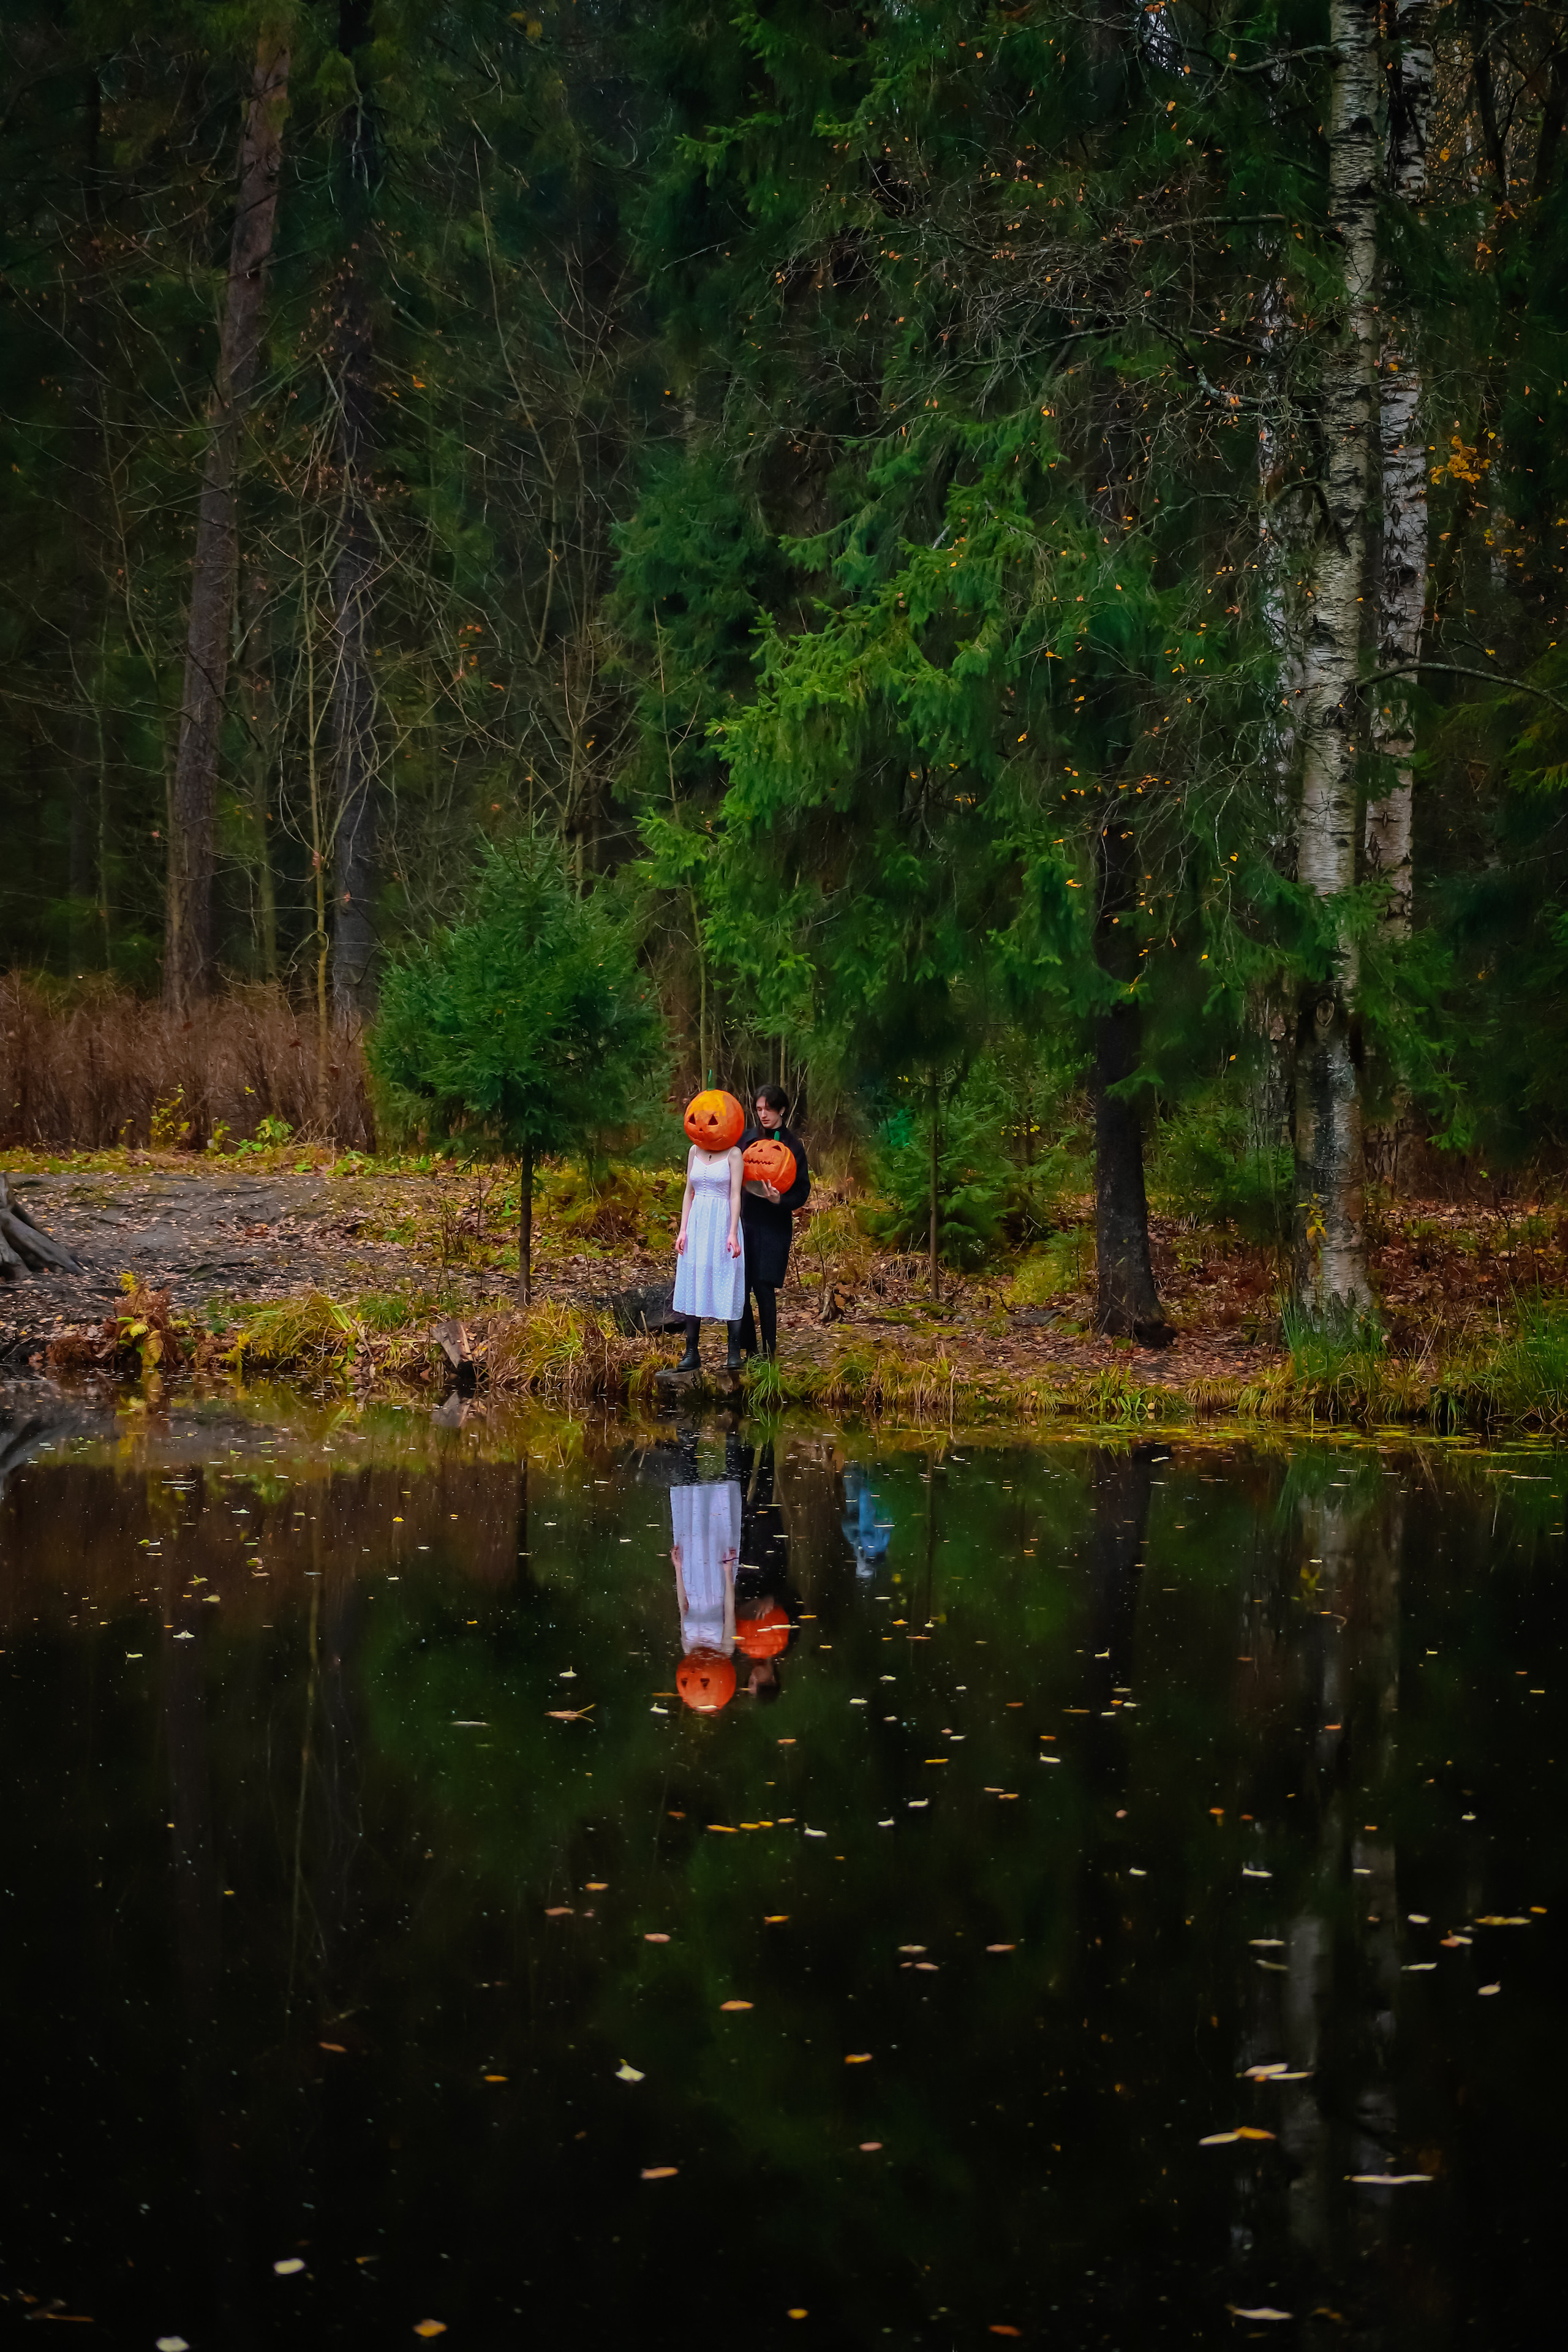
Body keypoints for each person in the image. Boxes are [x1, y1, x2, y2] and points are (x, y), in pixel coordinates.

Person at [737, 1084, 810, 1360]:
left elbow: (803, 1190)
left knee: (764, 1286)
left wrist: (780, 1201)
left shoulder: (793, 1146)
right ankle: (749, 1349)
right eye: (758, 1109)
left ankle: (769, 1351)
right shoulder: (745, 1140)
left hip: (773, 1226)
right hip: (745, 1221)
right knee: (741, 1288)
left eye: (768, 1109)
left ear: (781, 1110)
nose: (763, 1114)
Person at [673, 1115, 745, 1371]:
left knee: (728, 1278)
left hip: (723, 1220)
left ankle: (733, 1352)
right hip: (698, 1222)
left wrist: (733, 1232)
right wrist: (683, 1231)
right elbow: (688, 1192)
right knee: (694, 1279)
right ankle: (691, 1352)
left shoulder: (734, 1154)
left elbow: (736, 1195)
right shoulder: (694, 1150)